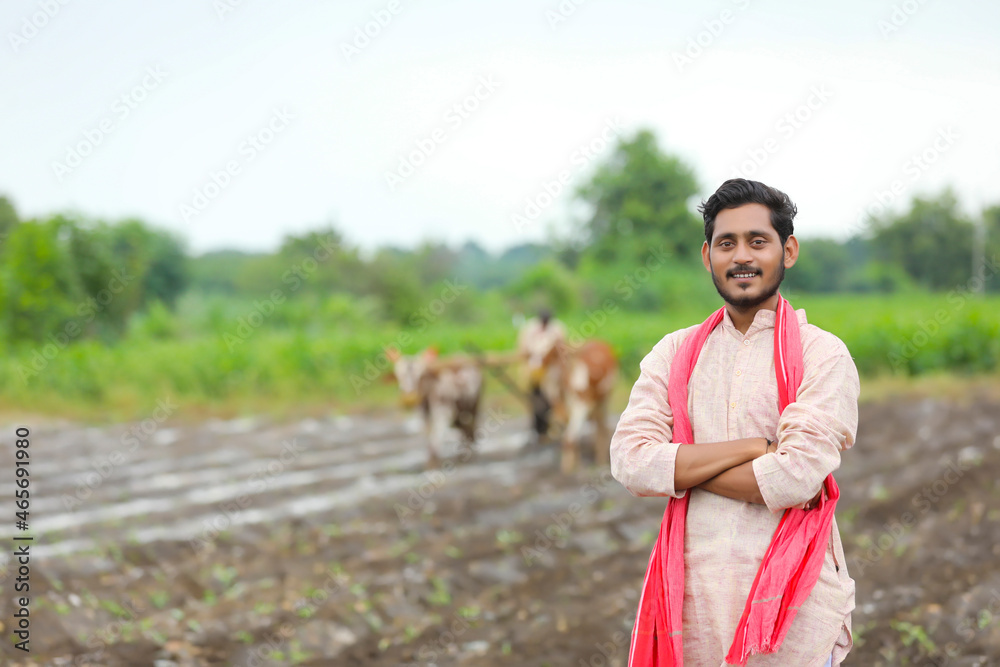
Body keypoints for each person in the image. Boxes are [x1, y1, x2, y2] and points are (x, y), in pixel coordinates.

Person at [610, 179, 857, 667]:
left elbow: (791, 478)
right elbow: (630, 462)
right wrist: (754, 448)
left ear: (788, 251)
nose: (741, 256)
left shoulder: (821, 354)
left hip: (796, 619)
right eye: (727, 243)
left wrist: (683, 473)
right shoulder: (675, 353)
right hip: (692, 610)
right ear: (708, 256)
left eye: (757, 241)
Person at [517, 308, 567, 441]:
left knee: (555, 398)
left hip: (553, 371)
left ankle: (557, 425)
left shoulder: (557, 328)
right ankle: (540, 429)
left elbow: (562, 348)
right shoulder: (530, 329)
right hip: (536, 371)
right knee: (538, 398)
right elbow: (523, 349)